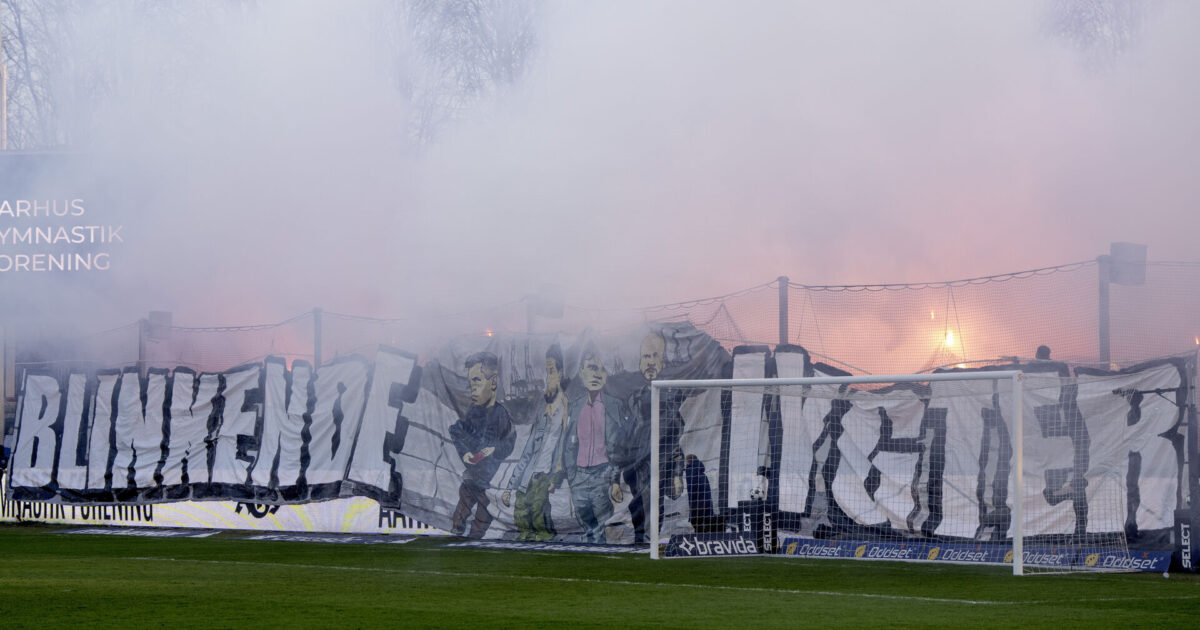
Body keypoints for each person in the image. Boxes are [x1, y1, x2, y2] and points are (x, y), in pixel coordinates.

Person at [621, 331, 687, 543]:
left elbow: (675, 440)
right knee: (638, 505)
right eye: (646, 356)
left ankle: (653, 539)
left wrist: (676, 473)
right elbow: (625, 437)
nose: (650, 362)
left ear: (663, 362)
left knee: (655, 504)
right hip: (636, 468)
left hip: (660, 465)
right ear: (640, 362)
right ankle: (640, 539)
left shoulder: (670, 399)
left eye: (655, 356)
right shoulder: (633, 400)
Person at [502, 343, 570, 541]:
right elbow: (528, 452)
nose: (548, 377)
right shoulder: (543, 411)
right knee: (521, 509)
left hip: (545, 475)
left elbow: (564, 450)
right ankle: (528, 541)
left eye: (551, 371)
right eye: (547, 372)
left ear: (560, 373)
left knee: (539, 514)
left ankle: (543, 540)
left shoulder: (567, 410)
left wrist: (555, 478)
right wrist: (509, 488)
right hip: (529, 474)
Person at [561, 344, 629, 543]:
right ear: (581, 371)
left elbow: (619, 445)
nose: (597, 374)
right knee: (585, 519)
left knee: (602, 524)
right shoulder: (574, 406)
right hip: (579, 475)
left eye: (602, 369)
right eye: (591, 367)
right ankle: (591, 550)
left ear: (606, 375)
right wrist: (571, 475)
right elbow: (568, 444)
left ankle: (600, 551)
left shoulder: (614, 405)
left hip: (603, 473)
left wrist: (614, 479)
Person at [449, 351, 516, 538]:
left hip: (489, 483)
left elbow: (509, 443)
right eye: (471, 384)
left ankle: (475, 538)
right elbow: (456, 430)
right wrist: (466, 453)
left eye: (477, 381)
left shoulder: (501, 415)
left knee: (483, 516)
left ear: (493, 382)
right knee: (463, 507)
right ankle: (458, 531)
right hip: (472, 477)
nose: (473, 389)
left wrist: (494, 450)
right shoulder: (473, 412)